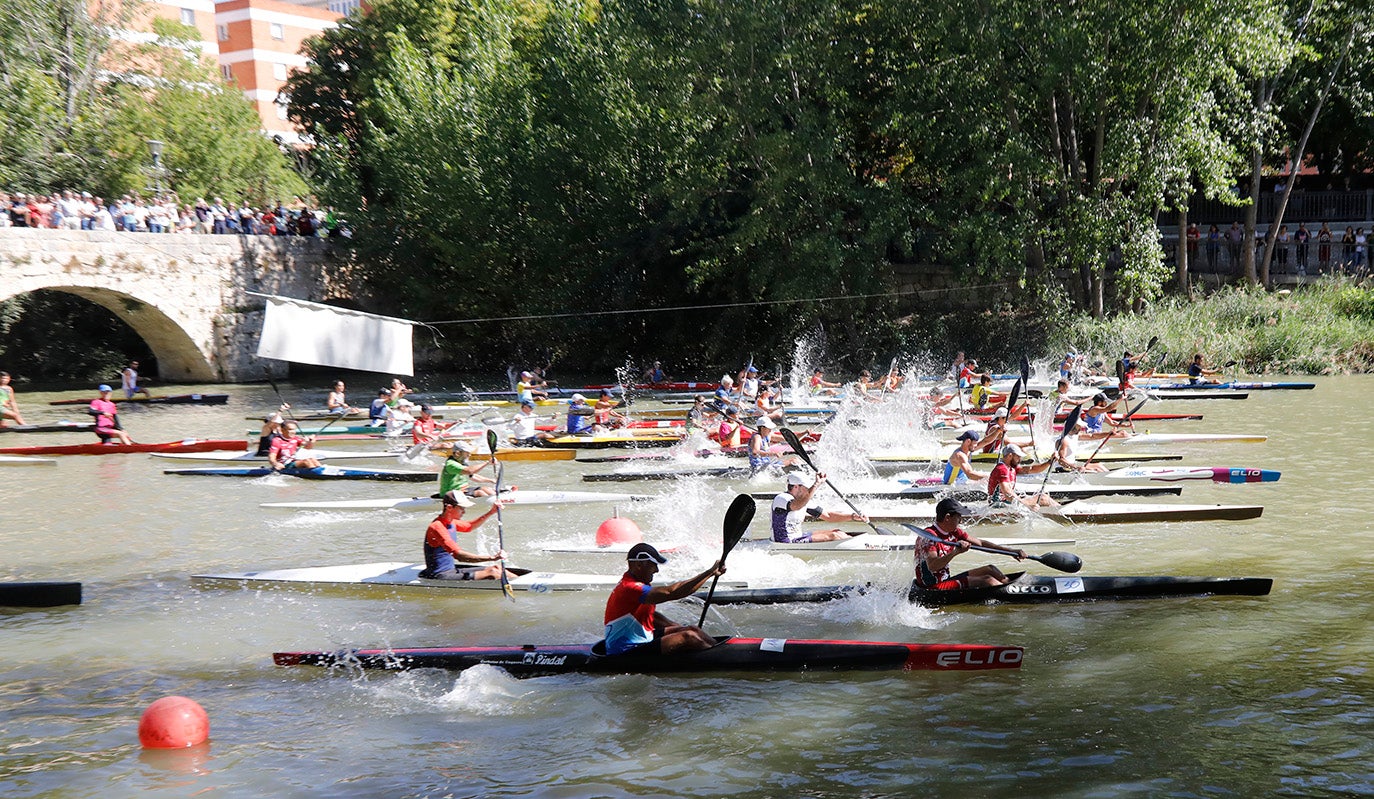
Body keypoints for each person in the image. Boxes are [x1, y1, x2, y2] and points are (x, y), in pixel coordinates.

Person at [603, 542, 726, 656]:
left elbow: (648, 614)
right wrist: (709, 572)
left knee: (692, 629)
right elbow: (672, 592)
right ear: (639, 564)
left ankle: (719, 647)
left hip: (643, 637)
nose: (656, 570)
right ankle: (722, 656)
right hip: (625, 651)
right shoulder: (631, 588)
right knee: (688, 636)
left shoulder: (638, 583)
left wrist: (674, 627)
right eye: (653, 565)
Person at [913, 497, 1026, 590]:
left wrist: (1011, 551)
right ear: (947, 517)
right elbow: (933, 566)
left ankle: (1013, 589)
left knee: (990, 569)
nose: (960, 521)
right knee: (987, 580)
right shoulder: (928, 537)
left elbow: (981, 543)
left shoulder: (954, 532)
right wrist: (955, 552)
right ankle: (1011, 597)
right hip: (933, 588)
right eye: (958, 517)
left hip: (946, 580)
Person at [417, 491, 515, 581]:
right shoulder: (437, 527)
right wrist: (492, 557)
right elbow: (459, 556)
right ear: (449, 508)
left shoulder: (451, 522)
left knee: (498, 568)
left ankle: (522, 582)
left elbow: (470, 526)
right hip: (439, 575)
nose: (464, 512)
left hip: (452, 570)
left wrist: (491, 512)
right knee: (493, 573)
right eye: (462, 508)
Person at [770, 472, 862, 543]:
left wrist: (853, 516)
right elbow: (797, 506)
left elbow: (828, 516)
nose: (808, 490)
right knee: (834, 536)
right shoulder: (781, 498)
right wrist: (816, 484)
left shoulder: (803, 501)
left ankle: (859, 542)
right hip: (785, 542)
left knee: (838, 532)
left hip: (798, 537)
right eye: (806, 488)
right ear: (796, 487)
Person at [987, 444, 1057, 509]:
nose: (1020, 459)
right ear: (1010, 456)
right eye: (1018, 456)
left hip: (1007, 502)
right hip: (998, 506)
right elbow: (1007, 493)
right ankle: (1063, 512)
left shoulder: (1011, 468)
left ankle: (1060, 509)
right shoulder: (1002, 469)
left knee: (1042, 496)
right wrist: (1027, 505)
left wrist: (1049, 462)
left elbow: (1032, 469)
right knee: (1042, 498)